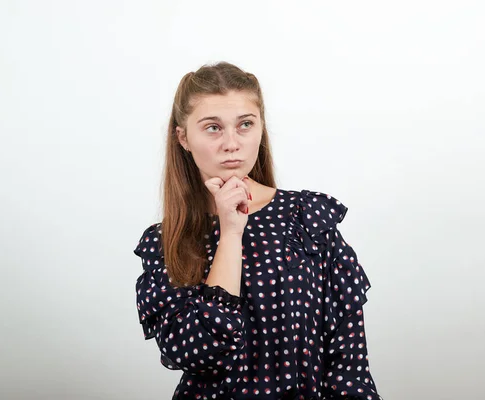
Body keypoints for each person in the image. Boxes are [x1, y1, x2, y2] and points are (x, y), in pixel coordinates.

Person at [133, 61, 383, 400]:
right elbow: (196, 353)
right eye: (212, 128)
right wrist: (231, 233)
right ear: (183, 137)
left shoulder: (307, 218)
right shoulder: (168, 240)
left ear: (260, 129)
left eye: (245, 125)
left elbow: (347, 361)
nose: (231, 143)